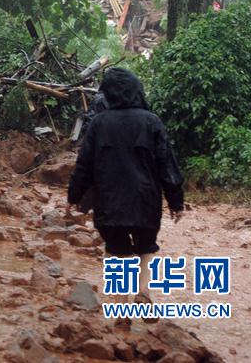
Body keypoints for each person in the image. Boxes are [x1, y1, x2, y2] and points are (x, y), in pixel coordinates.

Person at [67, 67, 184, 315]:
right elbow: (167, 164)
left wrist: (73, 196)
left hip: (109, 199)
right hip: (145, 198)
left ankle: (121, 308)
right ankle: (143, 292)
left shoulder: (99, 123)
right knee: (146, 246)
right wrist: (176, 201)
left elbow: (84, 164)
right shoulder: (151, 121)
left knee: (116, 249)